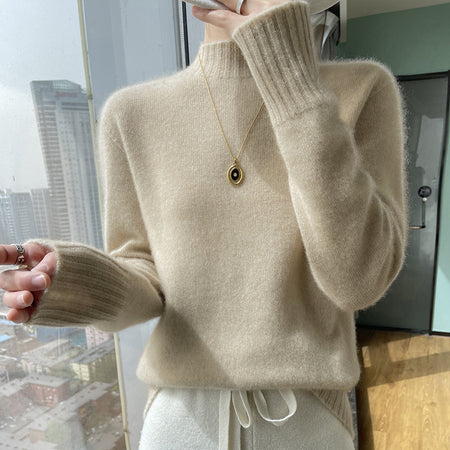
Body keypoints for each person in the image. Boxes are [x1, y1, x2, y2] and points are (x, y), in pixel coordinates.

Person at [0, 0, 409, 448]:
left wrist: (294, 87)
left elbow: (359, 281)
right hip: (178, 425)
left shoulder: (362, 89)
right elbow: (145, 277)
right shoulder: (131, 113)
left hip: (308, 422)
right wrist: (71, 281)